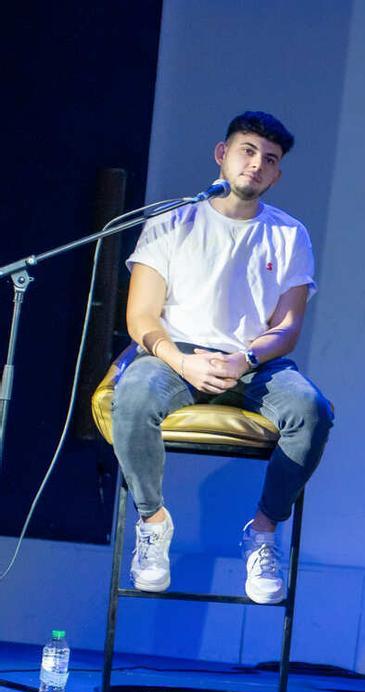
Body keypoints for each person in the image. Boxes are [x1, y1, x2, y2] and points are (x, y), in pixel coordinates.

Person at [111, 111, 333, 604]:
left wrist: (245, 358)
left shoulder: (289, 235)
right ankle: (153, 521)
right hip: (177, 354)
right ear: (222, 154)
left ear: (276, 175)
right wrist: (183, 361)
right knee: (132, 396)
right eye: (247, 151)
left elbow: (288, 327)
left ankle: (263, 530)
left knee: (311, 411)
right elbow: (141, 317)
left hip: (253, 361)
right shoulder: (171, 221)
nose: (256, 165)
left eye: (269, 159)